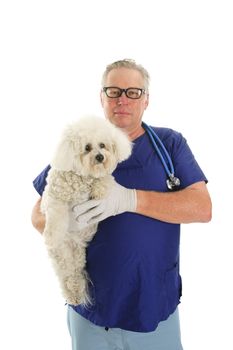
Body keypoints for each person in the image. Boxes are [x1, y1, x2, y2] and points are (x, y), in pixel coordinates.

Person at [31, 59, 212, 350]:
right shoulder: (77, 146)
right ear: (102, 98)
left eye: (133, 92)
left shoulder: (170, 144)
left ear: (147, 100)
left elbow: (202, 209)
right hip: (91, 314)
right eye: (114, 91)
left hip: (154, 312)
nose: (123, 100)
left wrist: (130, 199)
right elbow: (37, 215)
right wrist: (65, 223)